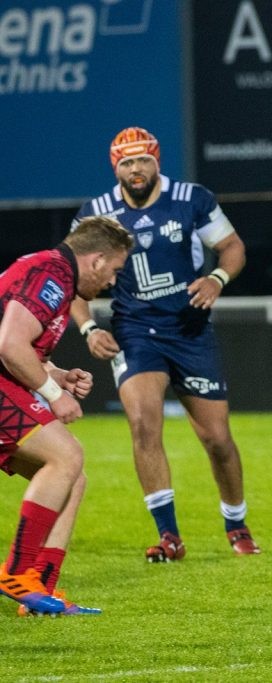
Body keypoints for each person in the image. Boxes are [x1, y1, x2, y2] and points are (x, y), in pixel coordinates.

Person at [69, 127, 260, 561]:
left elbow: (232, 247)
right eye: (126, 162)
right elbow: (73, 284)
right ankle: (169, 536)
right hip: (135, 332)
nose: (135, 170)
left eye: (143, 161)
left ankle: (236, 524)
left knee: (217, 439)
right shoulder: (96, 214)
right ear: (114, 167)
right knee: (143, 423)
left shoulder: (192, 198)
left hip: (189, 329)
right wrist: (89, 329)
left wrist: (217, 277)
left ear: (158, 162)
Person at [0, 215, 133, 615]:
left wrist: (55, 373)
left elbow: (20, 346)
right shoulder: (51, 274)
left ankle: (40, 591)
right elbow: (8, 344)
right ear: (95, 260)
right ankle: (18, 574)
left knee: (71, 477)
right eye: (114, 270)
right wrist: (53, 392)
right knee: (67, 456)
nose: (112, 281)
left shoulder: (50, 272)